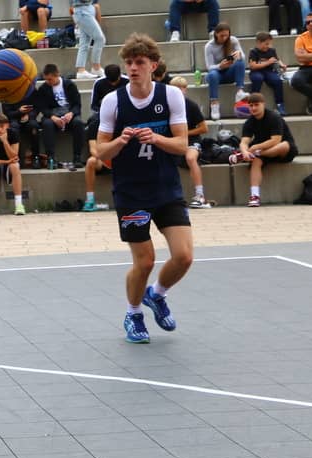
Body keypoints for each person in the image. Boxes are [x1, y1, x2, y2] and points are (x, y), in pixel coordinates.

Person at [96, 33, 191, 344]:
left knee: (184, 257)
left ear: (154, 65)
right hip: (131, 192)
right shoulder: (113, 101)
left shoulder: (171, 96)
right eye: (129, 62)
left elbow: (182, 145)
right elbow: (100, 152)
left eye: (139, 62)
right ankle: (133, 313)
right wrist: (119, 142)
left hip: (166, 188)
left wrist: (157, 138)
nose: (133, 68)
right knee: (145, 260)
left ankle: (157, 294)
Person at [230, 92, 298, 207]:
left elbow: (276, 140)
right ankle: (254, 196)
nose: (253, 108)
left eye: (256, 105)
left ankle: (253, 154)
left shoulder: (274, 117)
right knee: (256, 161)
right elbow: (244, 142)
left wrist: (255, 148)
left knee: (284, 145)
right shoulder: (249, 122)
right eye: (251, 105)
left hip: (281, 150)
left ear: (263, 104)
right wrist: (245, 151)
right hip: (262, 152)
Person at [169, 76, 210, 208]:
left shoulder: (191, 105)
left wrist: (185, 133)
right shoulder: (166, 105)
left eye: (180, 88)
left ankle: (200, 195)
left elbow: (204, 128)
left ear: (185, 90)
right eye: (174, 88)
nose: (177, 91)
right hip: (173, 139)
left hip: (191, 139)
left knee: (191, 158)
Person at [35, 63, 86, 169]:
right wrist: (52, 117)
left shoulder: (69, 85)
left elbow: (77, 104)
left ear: (57, 75)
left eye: (50, 79)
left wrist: (71, 113)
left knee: (78, 123)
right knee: (47, 124)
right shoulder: (43, 88)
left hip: (69, 114)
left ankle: (77, 157)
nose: (48, 82)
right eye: (46, 79)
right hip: (52, 115)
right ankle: (51, 158)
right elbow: (42, 107)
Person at [205, 22, 247, 120]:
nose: (224, 38)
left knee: (240, 62)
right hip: (217, 74)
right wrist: (220, 66)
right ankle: (214, 104)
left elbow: (243, 58)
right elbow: (209, 67)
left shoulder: (233, 40)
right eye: (221, 36)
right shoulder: (209, 46)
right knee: (212, 74)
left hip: (230, 72)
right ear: (216, 34)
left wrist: (239, 55)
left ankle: (240, 91)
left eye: (226, 35)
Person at [292, 12, 312, 114]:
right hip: (307, 68)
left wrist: (309, 55)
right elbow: (301, 58)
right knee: (296, 81)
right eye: (308, 22)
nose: (311, 24)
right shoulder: (301, 38)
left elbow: (305, 57)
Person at [248, 31, 288, 115]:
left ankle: (280, 104)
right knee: (258, 79)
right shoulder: (253, 52)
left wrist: (282, 65)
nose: (268, 46)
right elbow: (253, 66)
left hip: (269, 71)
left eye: (269, 44)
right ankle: (252, 102)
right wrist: (268, 62)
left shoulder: (271, 50)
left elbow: (277, 59)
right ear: (258, 42)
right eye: (266, 44)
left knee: (277, 81)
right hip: (256, 71)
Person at [2, 94, 41, 168]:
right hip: (14, 119)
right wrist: (19, 112)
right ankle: (17, 158)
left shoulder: (30, 90)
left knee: (34, 126)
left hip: (29, 119)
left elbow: (37, 108)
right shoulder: (8, 92)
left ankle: (36, 157)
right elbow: (7, 113)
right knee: (14, 128)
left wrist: (29, 115)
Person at [82, 113, 110, 211]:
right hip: (103, 159)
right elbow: (93, 150)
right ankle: (90, 200)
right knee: (91, 161)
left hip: (119, 158)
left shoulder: (121, 121)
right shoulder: (95, 124)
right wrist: (107, 159)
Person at [70, 0, 104, 79]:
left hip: (86, 9)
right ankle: (96, 67)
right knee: (100, 39)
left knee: (84, 43)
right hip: (82, 11)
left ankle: (81, 70)